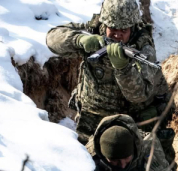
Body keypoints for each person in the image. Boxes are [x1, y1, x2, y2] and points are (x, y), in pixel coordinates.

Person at [46, 0, 171, 145]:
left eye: (123, 30)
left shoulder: (143, 48)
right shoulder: (93, 31)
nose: (117, 35)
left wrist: (123, 68)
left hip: (132, 122)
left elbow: (138, 95)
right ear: (104, 24)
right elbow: (52, 39)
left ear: (133, 27)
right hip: (92, 119)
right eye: (113, 29)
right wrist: (79, 40)